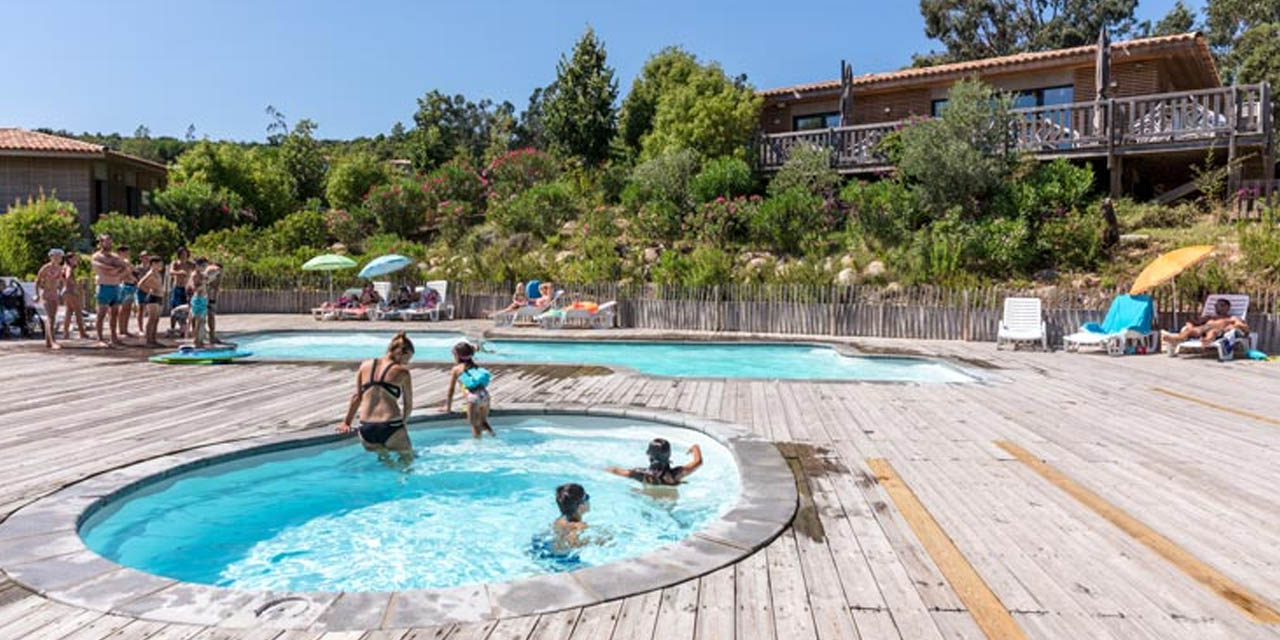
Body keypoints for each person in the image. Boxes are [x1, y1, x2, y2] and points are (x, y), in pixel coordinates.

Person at [337, 332, 416, 465]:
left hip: (366, 430)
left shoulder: (365, 365)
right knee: (407, 465)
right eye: (408, 358)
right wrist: (403, 425)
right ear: (402, 353)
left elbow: (357, 397)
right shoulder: (402, 372)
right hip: (391, 426)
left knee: (386, 462)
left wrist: (346, 422)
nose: (408, 362)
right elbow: (408, 405)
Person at [444, 341, 494, 438]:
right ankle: (494, 438)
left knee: (475, 427)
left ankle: (477, 448)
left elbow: (451, 391)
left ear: (457, 356)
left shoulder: (457, 369)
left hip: (473, 398)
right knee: (484, 422)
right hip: (485, 396)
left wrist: (448, 408)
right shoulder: (475, 366)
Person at [606, 438, 702, 486]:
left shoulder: (639, 473)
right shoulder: (676, 474)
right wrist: (695, 447)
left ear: (649, 455)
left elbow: (615, 470)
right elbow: (698, 461)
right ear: (668, 455)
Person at [91, 234, 130, 347]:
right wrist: (114, 269)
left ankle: (114, 337)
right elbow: (101, 269)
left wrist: (116, 272)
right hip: (104, 286)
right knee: (101, 313)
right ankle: (100, 338)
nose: (108, 243)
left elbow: (126, 268)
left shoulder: (115, 256)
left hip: (115, 286)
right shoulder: (96, 256)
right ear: (101, 242)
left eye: (110, 241)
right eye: (106, 241)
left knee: (114, 314)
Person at [1162, 298, 1248, 346]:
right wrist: (1189, 326)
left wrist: (1236, 326)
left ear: (1227, 307)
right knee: (1189, 331)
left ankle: (1206, 341)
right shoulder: (1209, 317)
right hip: (1203, 329)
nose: (1217, 307)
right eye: (1216, 305)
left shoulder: (1230, 318)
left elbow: (1244, 327)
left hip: (1217, 330)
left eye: (1221, 305)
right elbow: (1192, 321)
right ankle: (1177, 339)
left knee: (1212, 332)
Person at [33, 249, 65, 349]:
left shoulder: (60, 268)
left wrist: (61, 292)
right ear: (51, 257)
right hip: (46, 294)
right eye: (55, 256)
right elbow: (37, 281)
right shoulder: (45, 268)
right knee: (50, 317)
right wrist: (37, 294)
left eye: (59, 257)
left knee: (52, 317)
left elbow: (61, 282)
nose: (57, 258)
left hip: (55, 294)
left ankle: (48, 341)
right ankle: (53, 341)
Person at [136, 257, 166, 347]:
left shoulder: (158, 273)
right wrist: (148, 290)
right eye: (159, 264)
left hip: (159, 297)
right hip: (152, 297)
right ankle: (149, 340)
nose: (161, 266)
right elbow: (140, 284)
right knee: (151, 319)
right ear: (153, 264)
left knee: (156, 319)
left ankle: (153, 339)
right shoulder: (150, 273)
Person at [60, 253, 89, 341]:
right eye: (74, 259)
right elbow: (68, 277)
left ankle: (65, 333)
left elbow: (63, 278)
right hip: (71, 291)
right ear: (69, 259)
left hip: (65, 291)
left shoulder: (64, 267)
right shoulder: (69, 268)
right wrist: (74, 285)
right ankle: (82, 333)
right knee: (78, 312)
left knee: (68, 312)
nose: (76, 261)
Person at [115, 246, 137, 339]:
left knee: (128, 309)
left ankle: (125, 329)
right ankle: (121, 329)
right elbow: (119, 275)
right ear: (120, 252)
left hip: (131, 285)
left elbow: (133, 271)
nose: (128, 254)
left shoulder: (127, 262)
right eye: (126, 252)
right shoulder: (118, 263)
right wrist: (127, 271)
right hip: (124, 286)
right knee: (123, 309)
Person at [188, 259, 209, 348]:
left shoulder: (202, 275)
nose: (205, 268)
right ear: (197, 266)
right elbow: (193, 288)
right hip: (198, 299)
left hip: (203, 299)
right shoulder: (194, 275)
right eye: (203, 266)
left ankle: (199, 340)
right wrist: (202, 283)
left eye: (205, 266)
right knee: (198, 320)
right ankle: (196, 341)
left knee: (202, 321)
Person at [168, 247, 195, 317]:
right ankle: (173, 325)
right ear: (179, 255)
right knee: (175, 307)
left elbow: (198, 270)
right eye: (182, 254)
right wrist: (179, 272)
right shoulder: (175, 263)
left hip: (187, 288)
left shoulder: (190, 264)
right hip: (177, 287)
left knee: (188, 306)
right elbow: (170, 272)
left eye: (185, 254)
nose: (184, 256)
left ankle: (185, 324)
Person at [205, 261, 223, 344]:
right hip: (206, 297)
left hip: (206, 296)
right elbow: (216, 287)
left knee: (202, 317)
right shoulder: (217, 270)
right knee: (209, 316)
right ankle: (211, 336)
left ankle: (207, 337)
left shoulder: (208, 269)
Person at [134, 251, 150, 334]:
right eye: (143, 257)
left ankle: (149, 327)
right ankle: (140, 329)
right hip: (140, 290)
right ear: (140, 258)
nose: (145, 258)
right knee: (141, 309)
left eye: (147, 256)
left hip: (150, 290)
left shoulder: (151, 268)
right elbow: (136, 280)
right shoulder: (137, 268)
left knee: (150, 310)